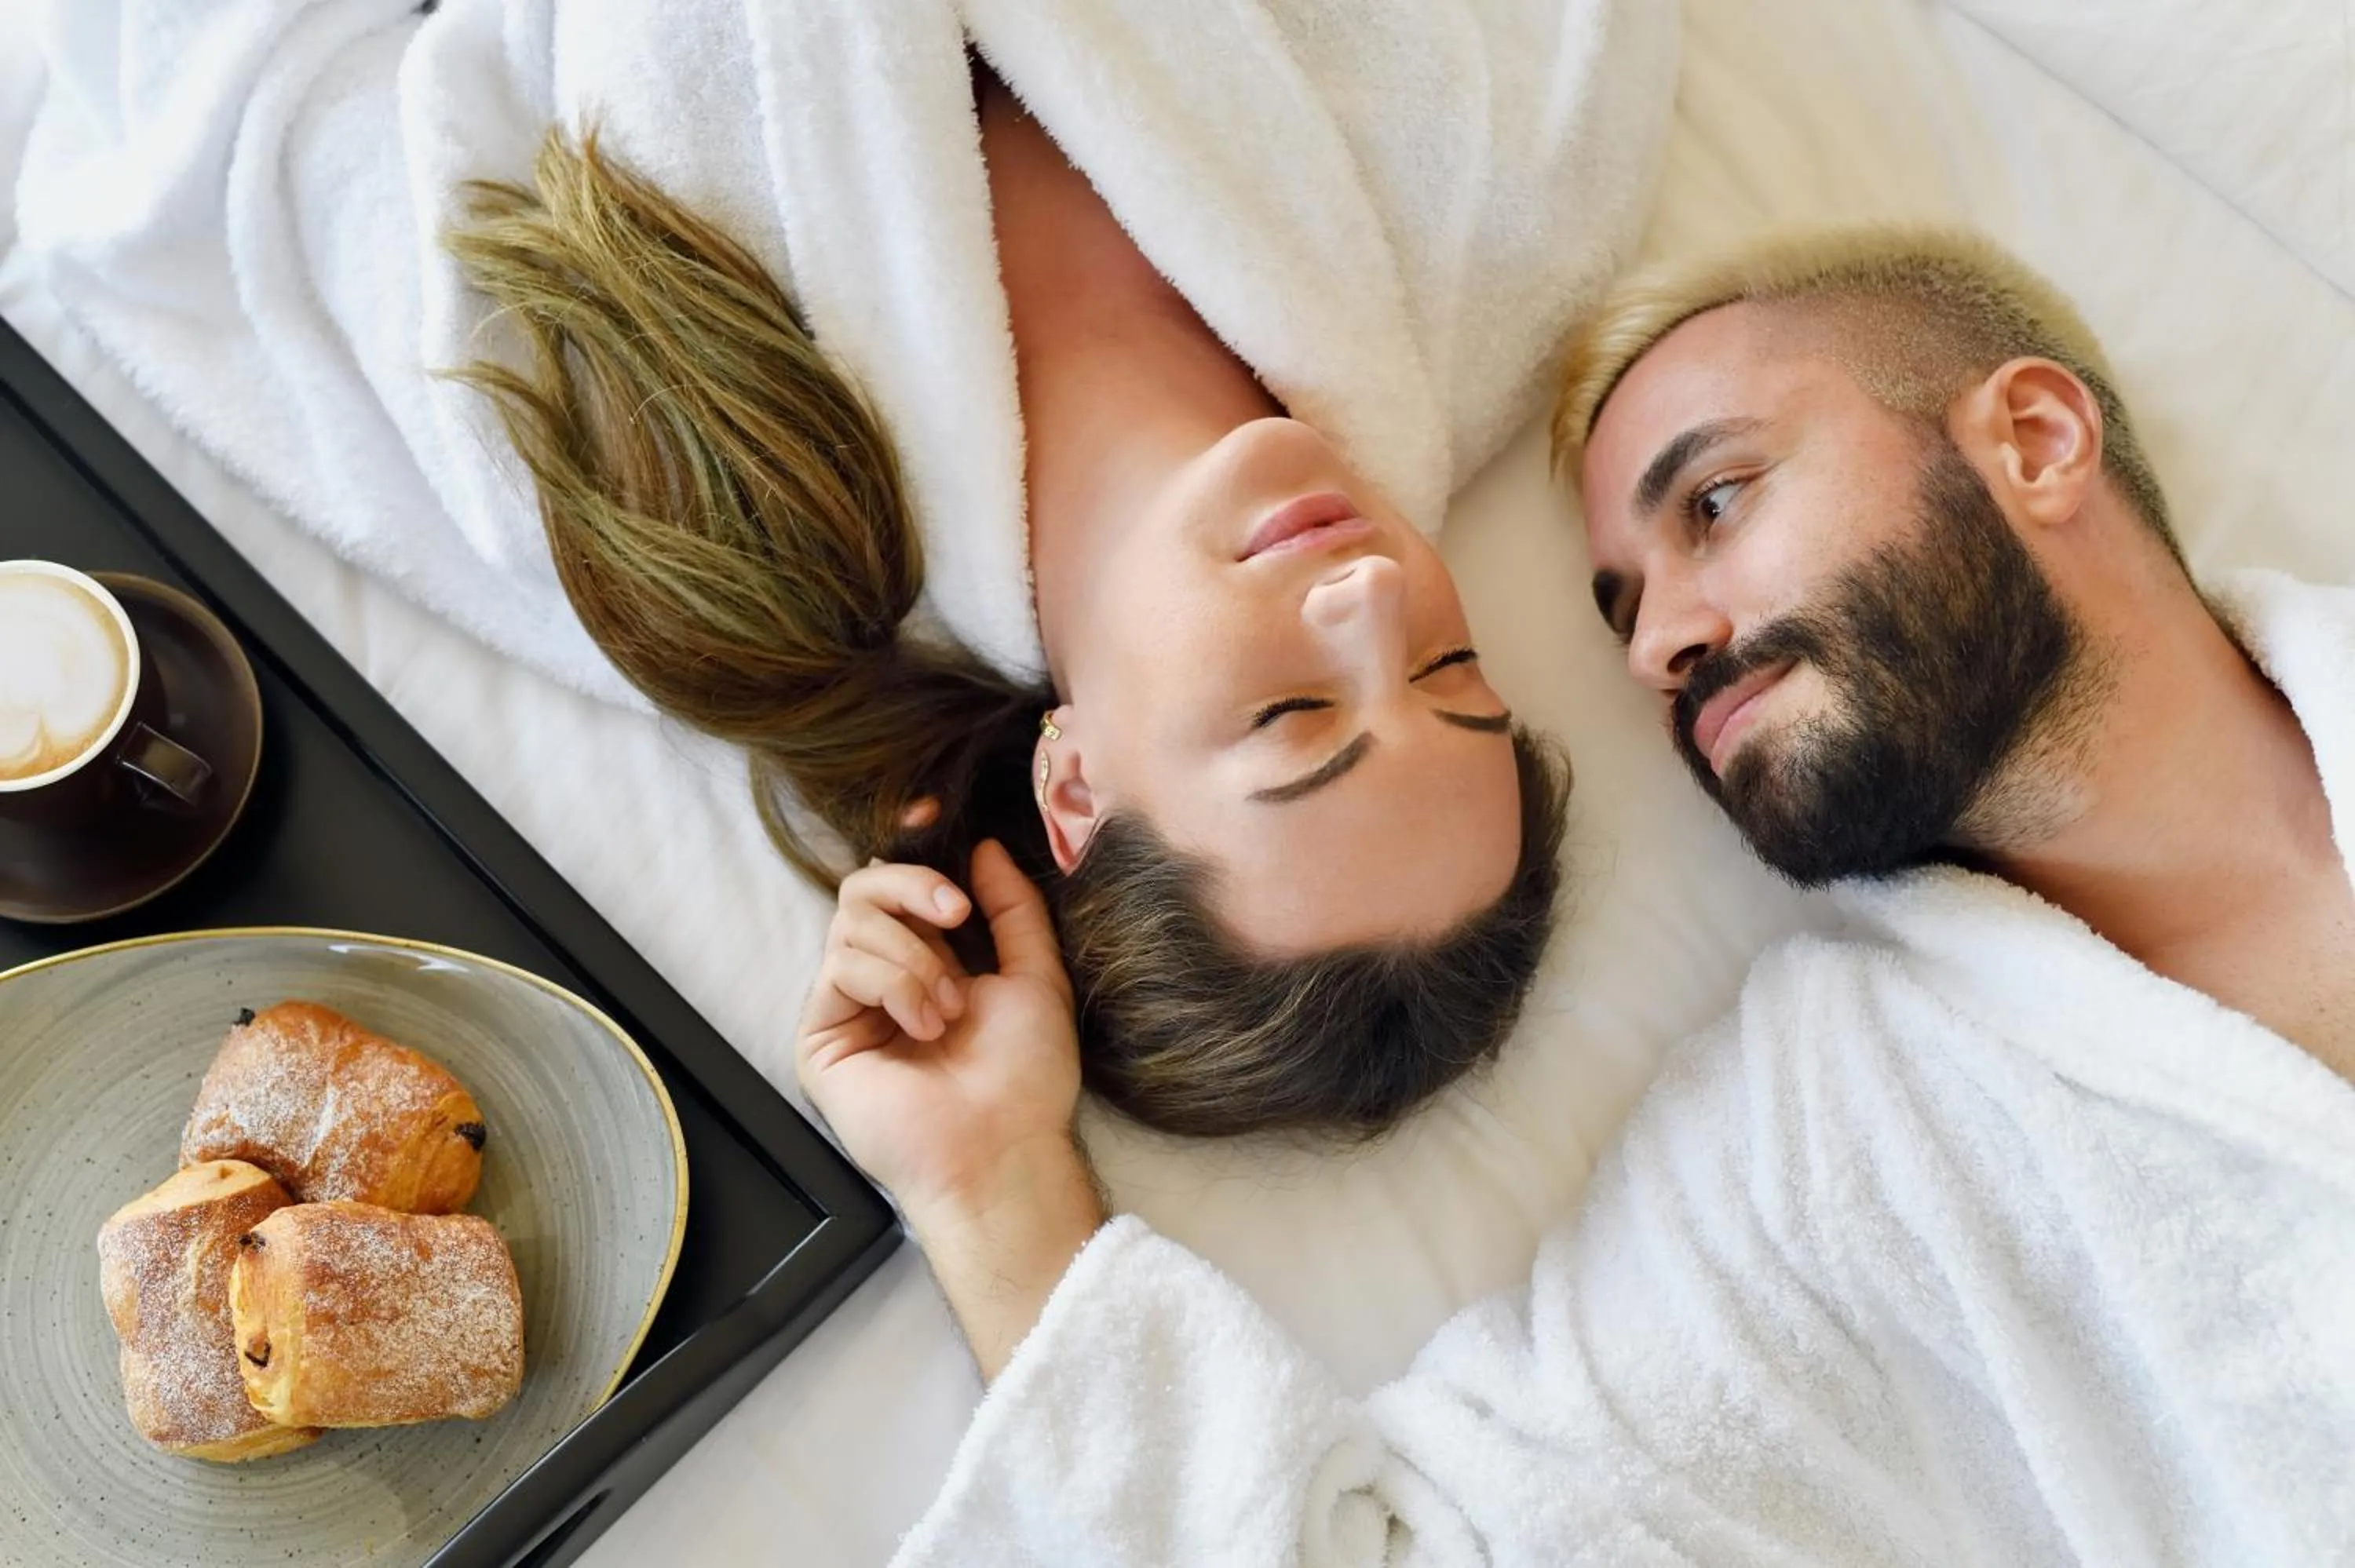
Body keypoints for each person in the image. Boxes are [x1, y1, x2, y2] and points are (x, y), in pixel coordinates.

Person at [800, 224, 2355, 1564]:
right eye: (1620, 606)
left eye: (1720, 502)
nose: (1655, 646)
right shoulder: (1843, 1153)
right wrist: (993, 1186)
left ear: (2031, 442)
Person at [19, 0, 1680, 1135]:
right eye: (1457, 675)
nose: (1375, 597)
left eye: (1296, 716)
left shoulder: (722, 553)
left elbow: (225, 146)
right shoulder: (1501, 230)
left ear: (1081, 786)